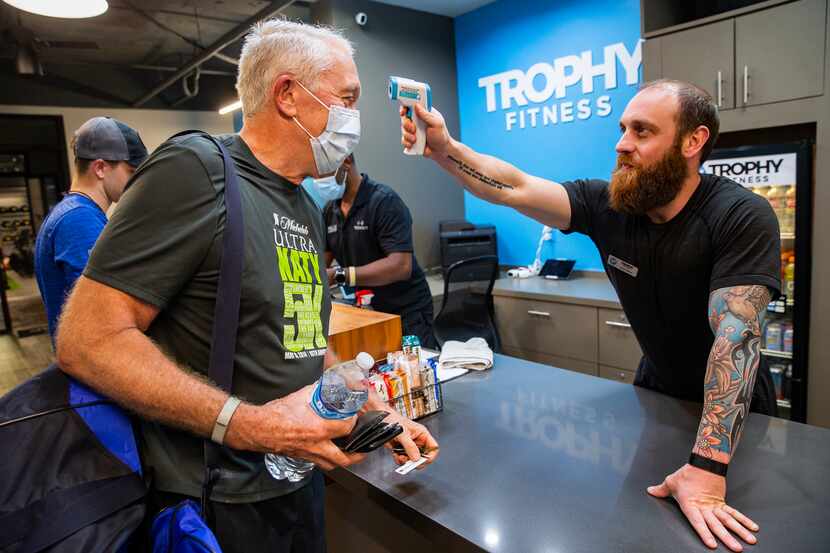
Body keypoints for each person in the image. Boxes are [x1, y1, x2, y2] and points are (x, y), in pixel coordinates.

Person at [56, 20, 438, 553]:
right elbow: (87, 339)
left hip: (297, 485)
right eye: (347, 98)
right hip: (215, 505)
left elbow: (305, 340)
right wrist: (249, 425)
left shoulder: (304, 203)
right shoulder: (196, 170)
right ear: (287, 95)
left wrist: (374, 406)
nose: (355, 119)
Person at [400, 79, 779, 552]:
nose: (622, 144)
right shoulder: (610, 206)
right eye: (623, 128)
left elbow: (735, 340)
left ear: (692, 141)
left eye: (642, 132)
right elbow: (512, 187)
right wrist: (443, 149)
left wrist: (707, 468)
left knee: (722, 539)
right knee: (638, 527)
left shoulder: (740, 215)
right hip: (656, 391)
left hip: (731, 411)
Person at [34, 116, 147, 339]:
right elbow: (105, 309)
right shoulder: (78, 220)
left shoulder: (74, 213)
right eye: (132, 172)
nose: (137, 182)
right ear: (101, 168)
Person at [319, 154, 438, 348]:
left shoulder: (384, 202)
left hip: (406, 311)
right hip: (368, 311)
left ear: (346, 160)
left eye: (324, 172)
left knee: (412, 370)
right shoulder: (330, 211)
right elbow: (321, 262)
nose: (319, 180)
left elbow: (400, 266)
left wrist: (341, 275)